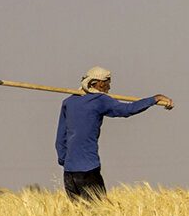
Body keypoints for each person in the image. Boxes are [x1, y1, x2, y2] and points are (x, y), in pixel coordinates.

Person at [55, 66, 173, 200]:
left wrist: (65, 161)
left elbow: (60, 139)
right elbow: (127, 109)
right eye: (108, 83)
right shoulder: (100, 100)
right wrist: (154, 99)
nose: (109, 87)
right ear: (99, 83)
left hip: (69, 173)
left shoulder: (68, 102)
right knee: (99, 213)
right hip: (88, 169)